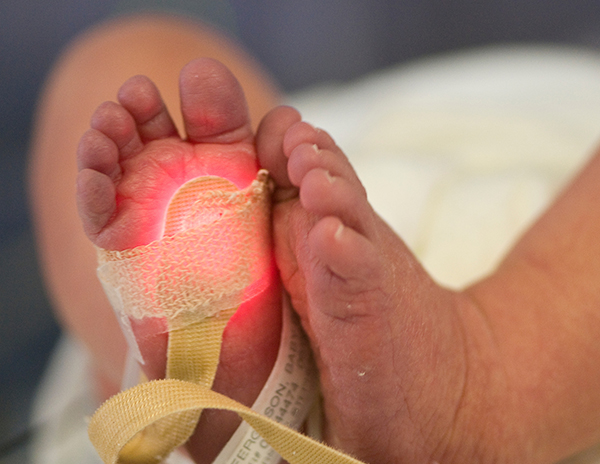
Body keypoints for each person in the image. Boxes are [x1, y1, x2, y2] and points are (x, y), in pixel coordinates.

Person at [28, 12, 600, 464]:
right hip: (550, 178)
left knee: (120, 56)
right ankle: (488, 376)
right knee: (133, 52)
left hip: (339, 158)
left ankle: (170, 346)